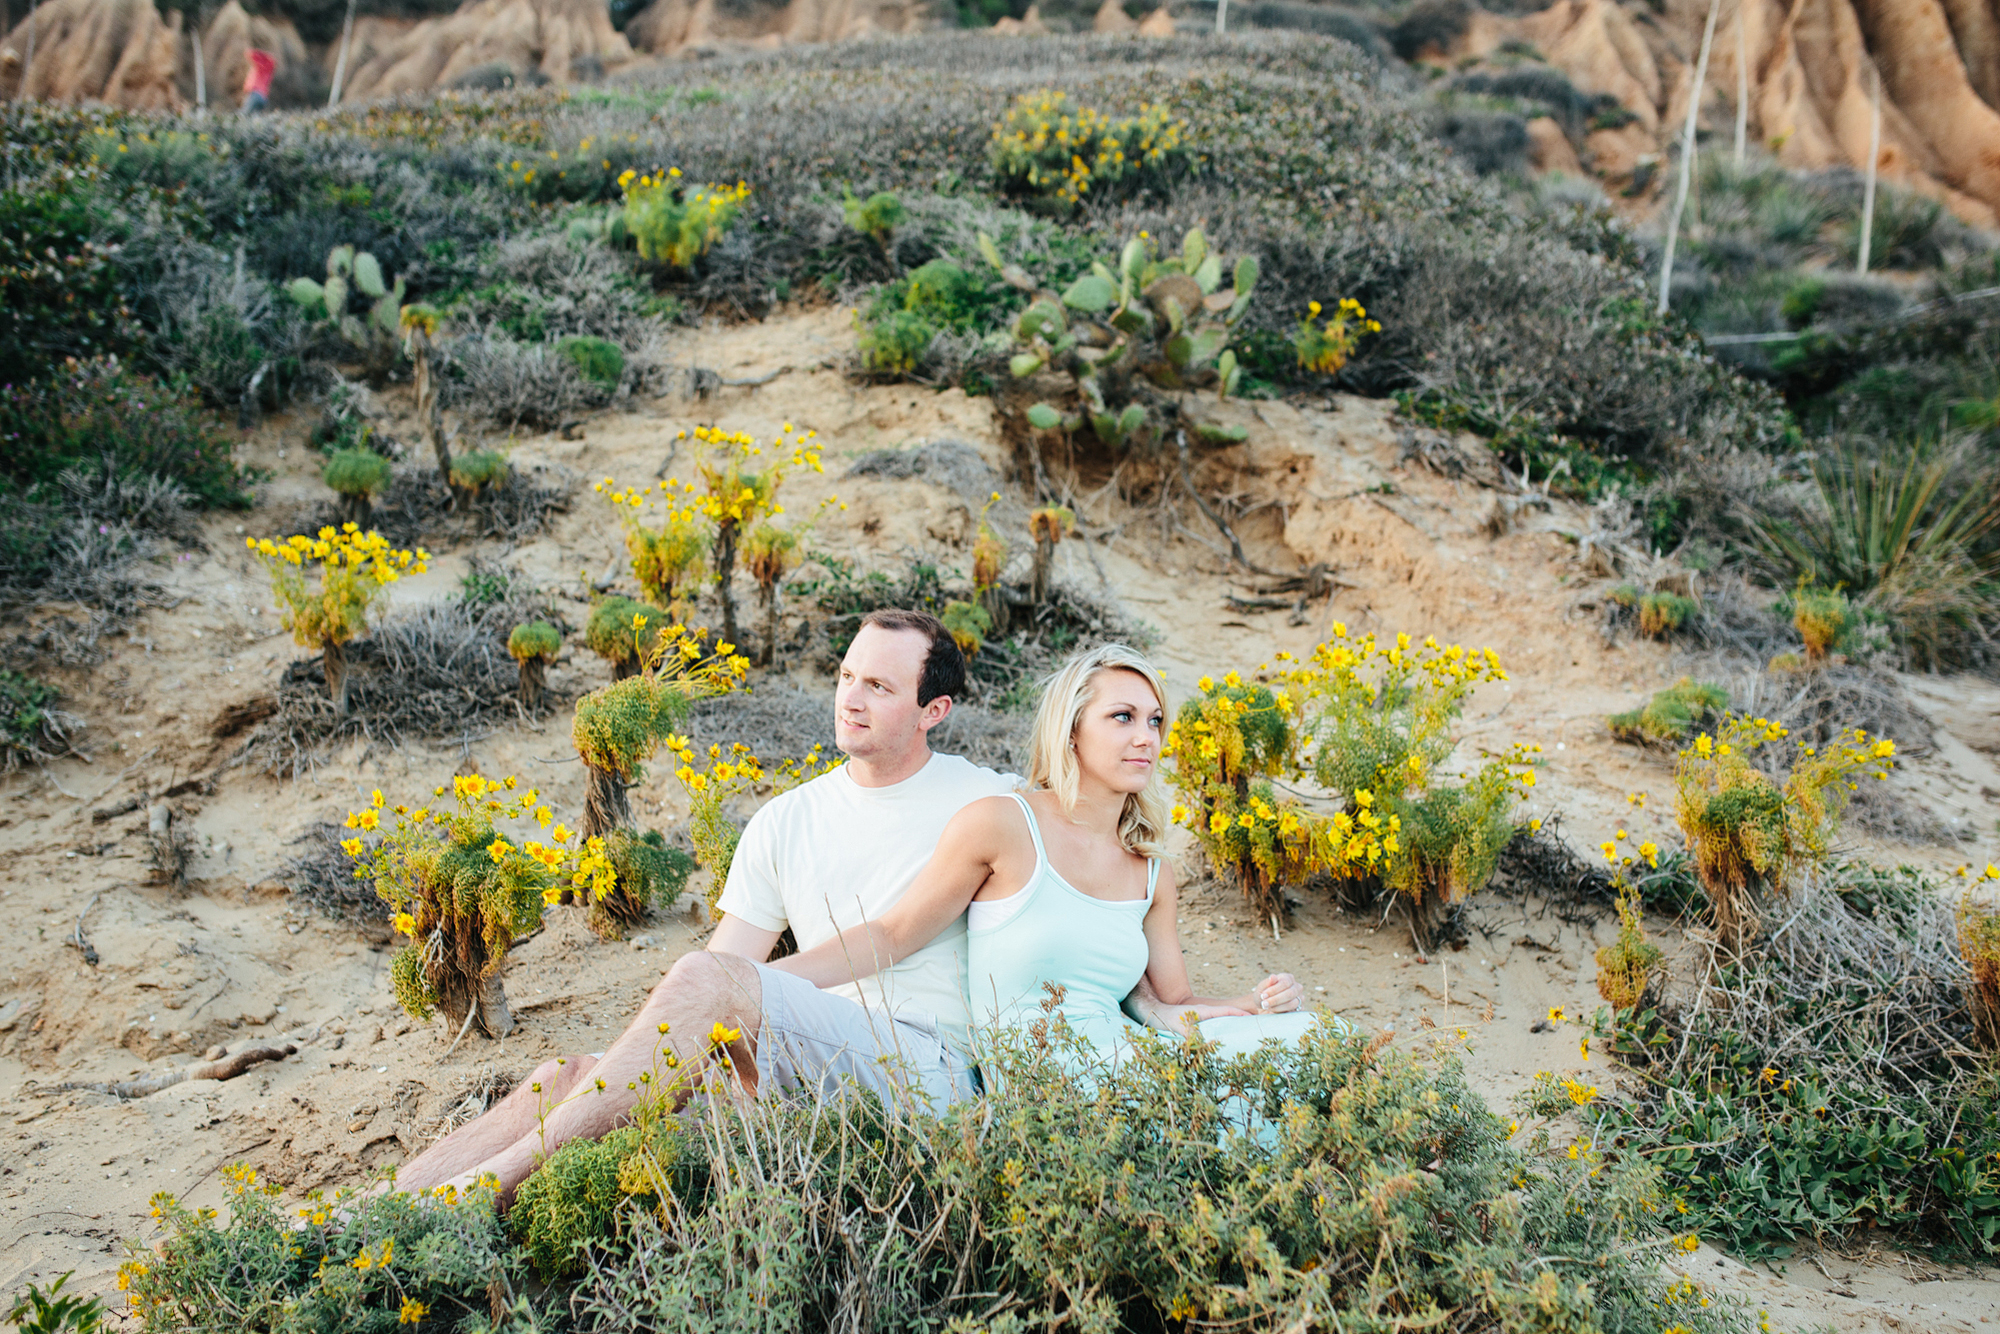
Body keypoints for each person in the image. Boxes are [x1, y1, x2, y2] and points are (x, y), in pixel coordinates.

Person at [392, 610, 1019, 1204]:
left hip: (922, 1069)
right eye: (846, 676)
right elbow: (720, 975)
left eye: (879, 686)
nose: (849, 698)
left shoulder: (990, 800)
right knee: (565, 1076)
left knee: (699, 990)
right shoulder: (786, 820)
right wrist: (649, 1048)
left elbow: (754, 972)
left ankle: (466, 1199)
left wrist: (742, 988)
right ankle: (365, 1214)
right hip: (801, 1060)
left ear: (932, 710)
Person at [768, 643, 1329, 1077]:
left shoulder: (1152, 874)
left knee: (1321, 1038)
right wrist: (759, 981)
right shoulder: (1004, 824)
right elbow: (892, 935)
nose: (1147, 739)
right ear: (1073, 730)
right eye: (1123, 717)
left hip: (1126, 1058)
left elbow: (1169, 1006)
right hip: (1042, 1080)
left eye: (1156, 721)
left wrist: (1252, 1004)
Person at [241, 49, 275, 113]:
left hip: (255, 94)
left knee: (242, 114)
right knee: (255, 118)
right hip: (264, 98)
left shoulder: (261, 67)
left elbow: (250, 53)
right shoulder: (269, 69)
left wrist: (260, 52)